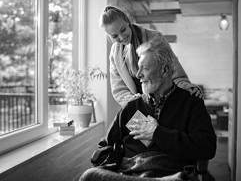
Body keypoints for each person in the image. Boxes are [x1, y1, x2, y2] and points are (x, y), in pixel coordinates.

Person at [79, 38, 216, 181]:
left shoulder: (191, 103)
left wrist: (157, 133)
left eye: (144, 68)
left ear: (164, 70)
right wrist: (111, 162)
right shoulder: (132, 106)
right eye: (138, 68)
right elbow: (105, 145)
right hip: (129, 174)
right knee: (90, 176)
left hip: (170, 173)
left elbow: (207, 147)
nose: (138, 75)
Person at [99, 5, 203, 106]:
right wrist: (133, 102)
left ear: (127, 21)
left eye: (123, 30)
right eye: (115, 36)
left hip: (163, 102)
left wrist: (187, 87)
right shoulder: (114, 53)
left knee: (163, 124)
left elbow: (174, 71)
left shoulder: (154, 37)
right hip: (137, 106)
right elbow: (119, 89)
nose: (121, 37)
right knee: (134, 124)